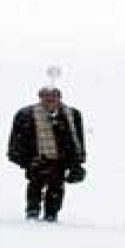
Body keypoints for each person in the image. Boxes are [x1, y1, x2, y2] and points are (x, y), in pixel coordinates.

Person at [7, 86, 86, 222]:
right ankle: (32, 212)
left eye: (54, 96)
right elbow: (16, 137)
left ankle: (51, 214)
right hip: (36, 158)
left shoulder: (72, 114)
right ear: (40, 97)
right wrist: (20, 158)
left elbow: (77, 138)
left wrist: (78, 160)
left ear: (59, 98)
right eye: (46, 96)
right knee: (35, 186)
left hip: (61, 158)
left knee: (57, 187)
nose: (50, 99)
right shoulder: (26, 113)